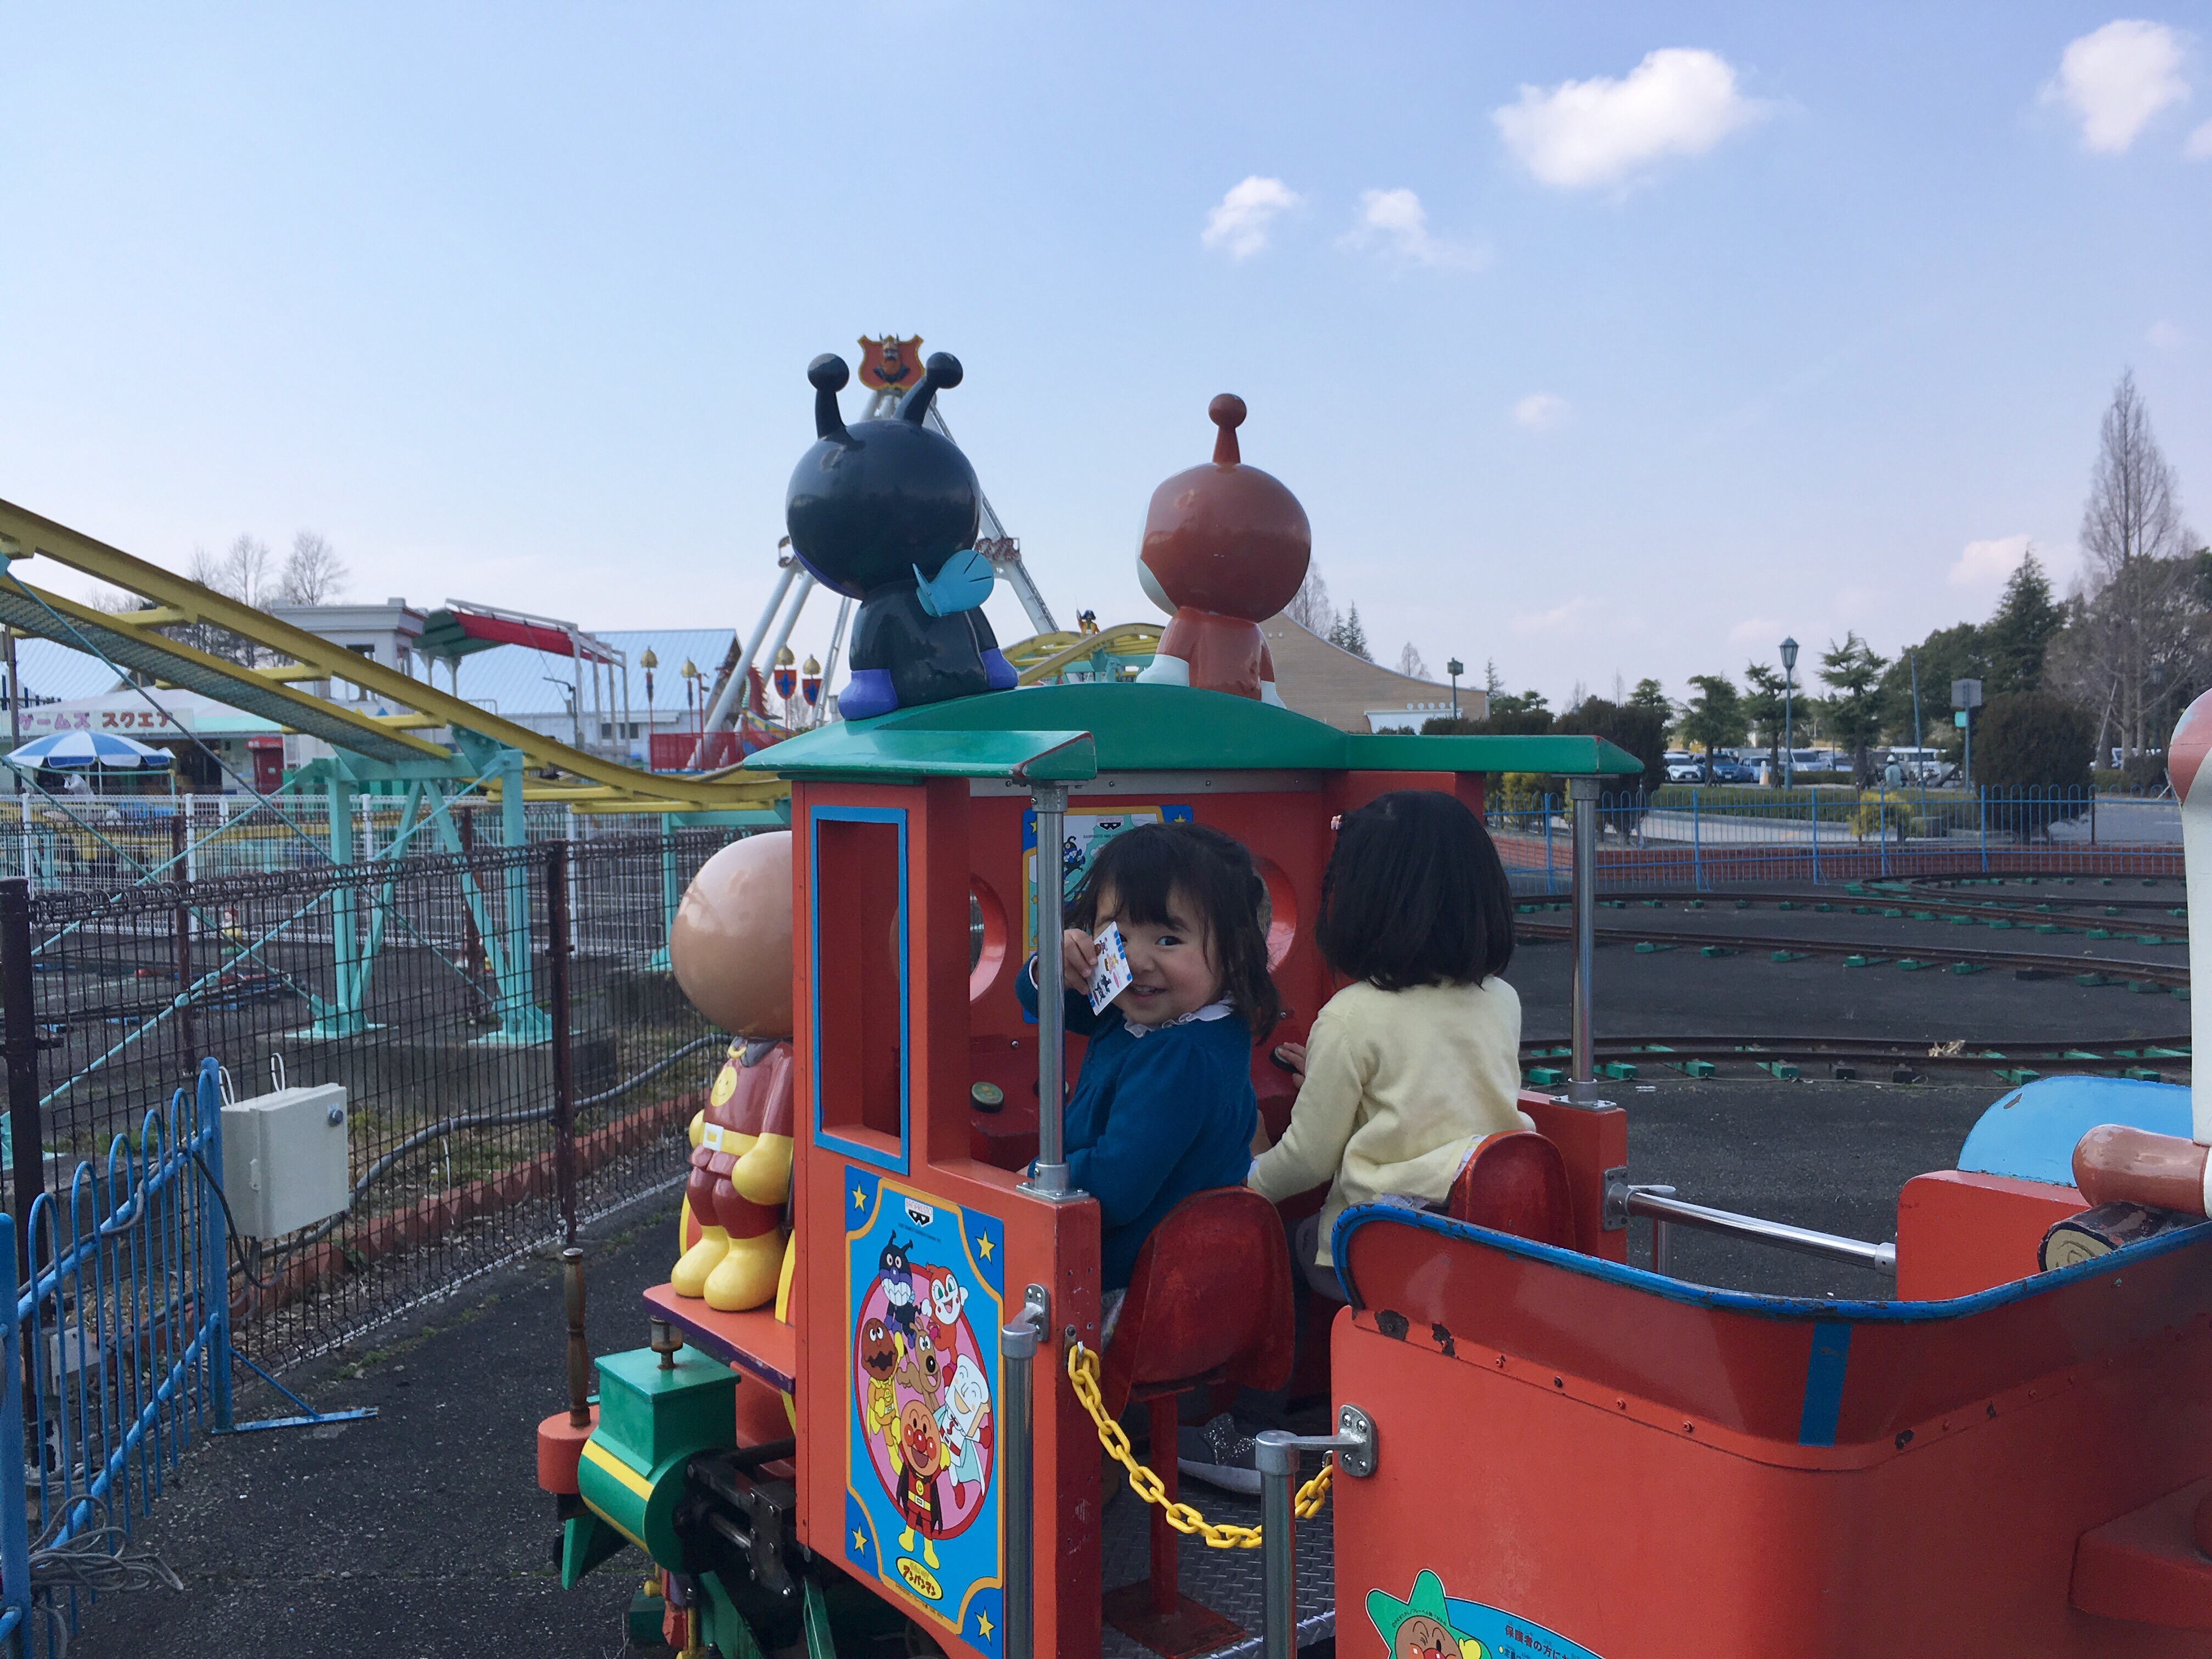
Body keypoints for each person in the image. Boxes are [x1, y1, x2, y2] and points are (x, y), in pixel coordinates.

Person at [1180, 789, 1526, 1492]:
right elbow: (1438, 1086)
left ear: (1363, 902)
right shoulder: (1500, 999)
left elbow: (1308, 1158)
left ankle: (1251, 1431)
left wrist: (1241, 1187)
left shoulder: (1351, 1015)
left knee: (1285, 1244)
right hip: (1477, 1237)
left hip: (1384, 1244)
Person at [1020, 820, 1282, 1333]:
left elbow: (1116, 1187)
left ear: (1233, 952)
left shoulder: (1181, 1056)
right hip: (1173, 1278)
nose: (1136, 961)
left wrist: (1035, 1177)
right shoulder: (1163, 1013)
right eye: (1116, 936)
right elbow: (1045, 1004)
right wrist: (1052, 966)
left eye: (1168, 939)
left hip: (1127, 1288)